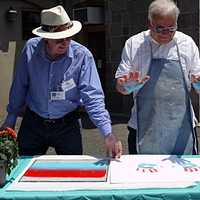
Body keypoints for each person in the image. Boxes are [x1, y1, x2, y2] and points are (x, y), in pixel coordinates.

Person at [0, 5, 122, 158]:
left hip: (67, 124)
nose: (65, 43)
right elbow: (20, 86)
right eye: (59, 39)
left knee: (72, 174)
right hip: (34, 123)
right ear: (46, 38)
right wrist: (10, 118)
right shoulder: (30, 49)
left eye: (68, 37)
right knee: (23, 170)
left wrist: (108, 133)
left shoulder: (83, 56)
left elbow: (92, 97)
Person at [115, 0, 200, 155]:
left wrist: (198, 85)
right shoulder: (134, 44)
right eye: (160, 29)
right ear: (150, 23)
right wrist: (127, 86)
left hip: (182, 127)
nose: (166, 34)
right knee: (143, 176)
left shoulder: (187, 43)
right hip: (143, 126)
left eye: (171, 29)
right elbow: (120, 86)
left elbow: (197, 82)